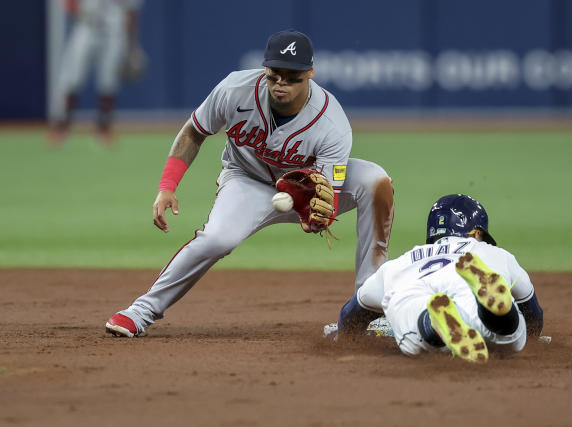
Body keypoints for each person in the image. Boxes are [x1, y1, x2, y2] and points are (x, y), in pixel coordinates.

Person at [105, 29, 395, 337]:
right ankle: (140, 311)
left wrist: (316, 216)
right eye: (274, 75)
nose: (281, 83)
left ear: (310, 72)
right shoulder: (235, 89)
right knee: (217, 239)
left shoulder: (332, 124)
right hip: (247, 180)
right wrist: (167, 186)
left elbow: (326, 203)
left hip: (304, 188)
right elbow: (195, 131)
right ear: (264, 68)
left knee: (376, 180)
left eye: (292, 76)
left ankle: (369, 309)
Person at [336, 194, 543, 363]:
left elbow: (351, 314)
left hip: (414, 289)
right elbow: (533, 315)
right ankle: (498, 317)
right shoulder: (494, 254)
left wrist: (345, 337)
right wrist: (531, 336)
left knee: (413, 331)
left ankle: (431, 322)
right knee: (510, 339)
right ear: (477, 234)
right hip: (467, 288)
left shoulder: (398, 264)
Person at [48, 0, 145, 146]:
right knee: (72, 79)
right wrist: (75, 9)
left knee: (109, 81)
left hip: (114, 30)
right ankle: (62, 126)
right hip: (86, 26)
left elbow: (131, 11)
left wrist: (133, 46)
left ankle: (104, 128)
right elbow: (69, 4)